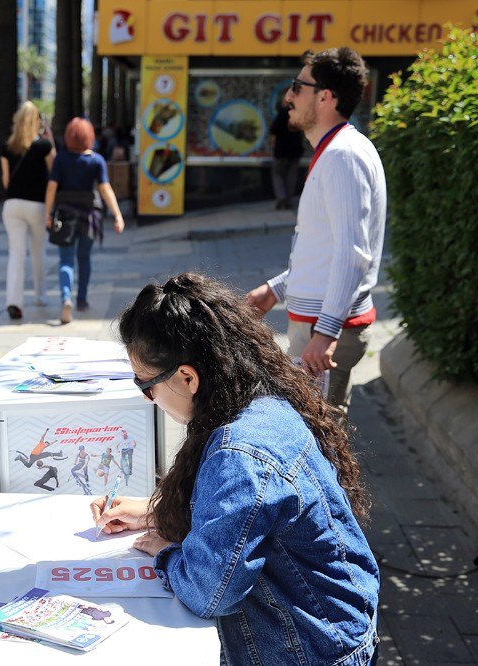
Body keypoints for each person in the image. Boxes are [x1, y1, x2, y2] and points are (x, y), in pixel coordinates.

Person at [93, 272, 379, 666]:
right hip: (330, 633)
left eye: (146, 385)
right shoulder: (258, 401)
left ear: (188, 377)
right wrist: (156, 511)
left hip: (312, 650)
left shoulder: (241, 453)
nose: (147, 399)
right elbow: (244, 516)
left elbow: (208, 590)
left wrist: (166, 551)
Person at [246, 48, 386, 413]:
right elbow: (327, 251)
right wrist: (277, 289)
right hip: (318, 327)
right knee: (317, 440)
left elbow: (352, 255)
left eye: (298, 87)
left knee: (320, 447)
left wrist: (325, 335)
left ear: (326, 97)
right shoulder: (339, 150)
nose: (289, 97)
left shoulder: (343, 155)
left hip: (322, 332)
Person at [44, 118, 125, 324]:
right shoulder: (96, 160)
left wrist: (47, 213)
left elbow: (52, 187)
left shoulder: (61, 159)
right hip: (90, 215)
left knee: (66, 260)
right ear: (89, 137)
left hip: (65, 214)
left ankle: (65, 298)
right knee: (84, 258)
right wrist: (117, 214)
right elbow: (105, 188)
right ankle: (82, 300)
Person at [1, 101, 55, 320]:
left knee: (16, 253)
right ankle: (41, 295)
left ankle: (14, 301)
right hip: (37, 205)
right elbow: (54, 175)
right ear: (37, 121)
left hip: (12, 205)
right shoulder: (44, 146)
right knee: (38, 251)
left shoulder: (6, 147)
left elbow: (6, 181)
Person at [269, 101, 305, 210]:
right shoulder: (299, 115)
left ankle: (281, 196)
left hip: (281, 151)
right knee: (291, 176)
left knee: (277, 174)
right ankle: (288, 200)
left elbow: (273, 129)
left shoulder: (282, 113)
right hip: (295, 150)